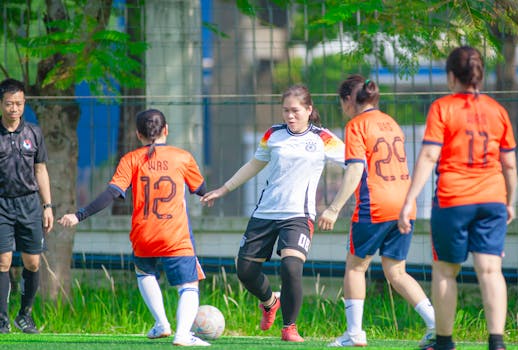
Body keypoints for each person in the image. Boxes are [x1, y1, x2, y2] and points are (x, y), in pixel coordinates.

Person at [201, 84, 345, 342]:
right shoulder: (273, 135)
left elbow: (355, 164)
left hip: (298, 216)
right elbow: (255, 164)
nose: (290, 116)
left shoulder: (323, 138)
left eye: (296, 110)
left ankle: (289, 327)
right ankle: (269, 303)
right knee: (244, 270)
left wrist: (336, 206)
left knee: (291, 267)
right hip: (266, 212)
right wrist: (224, 189)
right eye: (285, 110)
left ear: (309, 110)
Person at [58, 109, 210, 346]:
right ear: (166, 130)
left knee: (144, 273)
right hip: (175, 235)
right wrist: (215, 193)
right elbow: (200, 188)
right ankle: (182, 334)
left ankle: (161, 324)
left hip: (144, 234)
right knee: (188, 286)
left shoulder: (131, 159)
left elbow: (110, 194)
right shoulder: (182, 157)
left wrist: (80, 215)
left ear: (137, 134)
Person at [398, 46, 517, 350]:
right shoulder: (498, 110)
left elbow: (428, 154)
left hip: (454, 200)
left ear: (452, 76)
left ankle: (445, 342)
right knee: (491, 270)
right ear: (479, 74)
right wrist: (509, 201)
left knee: (445, 271)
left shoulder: (443, 107)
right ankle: (497, 342)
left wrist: (410, 199)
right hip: (492, 198)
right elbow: (510, 163)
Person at [318, 74, 436, 348]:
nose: (342, 108)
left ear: (349, 100)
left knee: (356, 268)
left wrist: (334, 208)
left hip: (375, 205)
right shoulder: (391, 122)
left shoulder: (357, 125)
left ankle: (355, 334)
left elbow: (356, 168)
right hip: (405, 204)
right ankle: (435, 324)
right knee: (396, 272)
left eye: (341, 103)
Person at [0, 78, 53, 334]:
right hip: (1, 206)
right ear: (1, 104)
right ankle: (2, 319)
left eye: (18, 104)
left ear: (24, 104)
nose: (14, 109)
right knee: (3, 260)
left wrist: (48, 206)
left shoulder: (33, 132)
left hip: (30, 205)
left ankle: (25, 315)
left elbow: (40, 169)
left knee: (32, 262)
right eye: (9, 104)